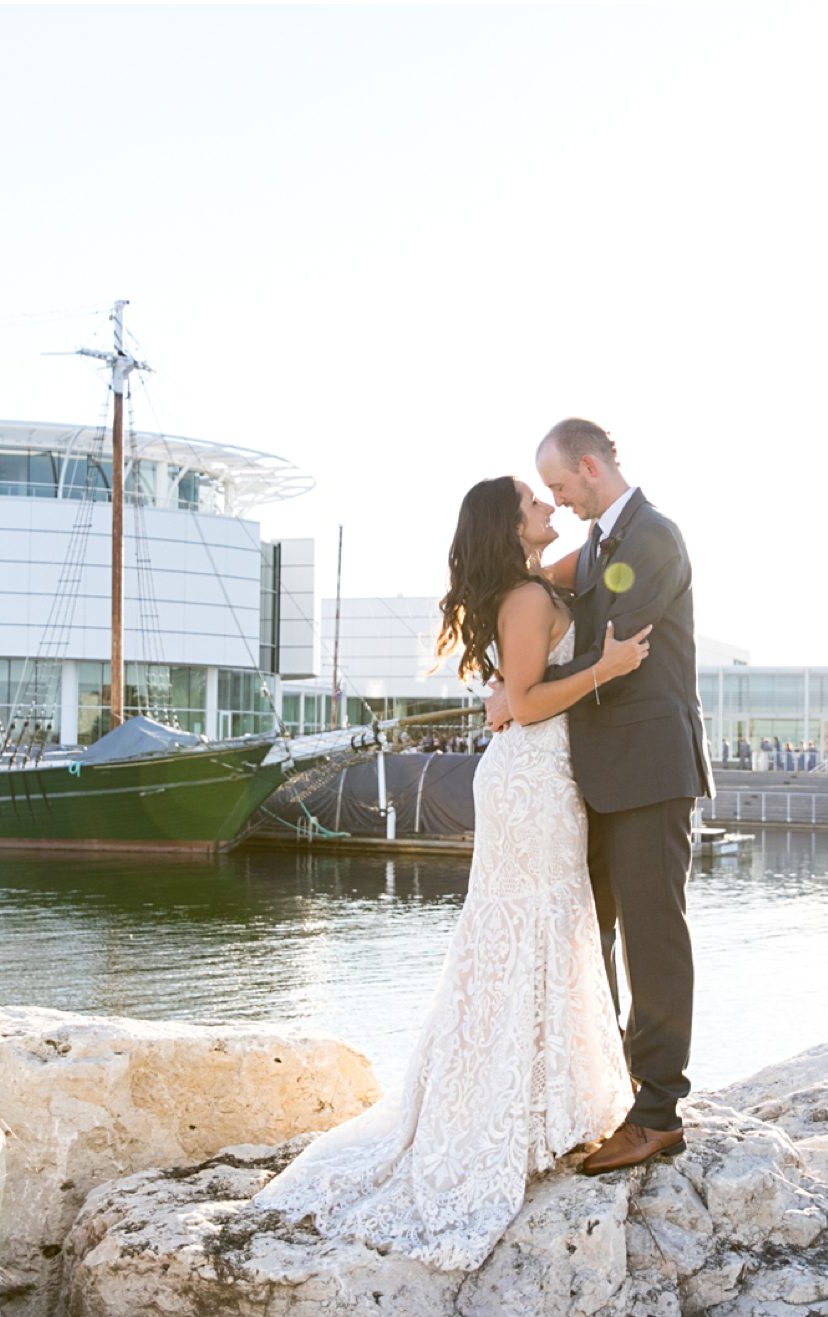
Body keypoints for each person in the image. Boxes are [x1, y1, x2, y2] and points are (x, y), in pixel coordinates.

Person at [253, 475, 648, 1270]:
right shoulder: (527, 599)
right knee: (532, 929)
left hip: (539, 779)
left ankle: (540, 1104)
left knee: (542, 928)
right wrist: (607, 667)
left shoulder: (534, 584)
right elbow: (527, 703)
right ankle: (512, 1113)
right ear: (510, 524)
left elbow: (589, 569)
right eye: (534, 502)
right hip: (531, 780)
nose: (549, 507)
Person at [486, 417, 712, 1174]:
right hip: (597, 777)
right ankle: (607, 1088)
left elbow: (615, 646)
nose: (556, 499)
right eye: (545, 493)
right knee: (592, 936)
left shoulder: (653, 538)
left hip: (649, 772)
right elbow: (533, 593)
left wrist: (522, 690)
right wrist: (501, 665)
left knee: (653, 939)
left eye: (558, 485)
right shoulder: (597, 547)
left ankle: (657, 1114)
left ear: (589, 467)